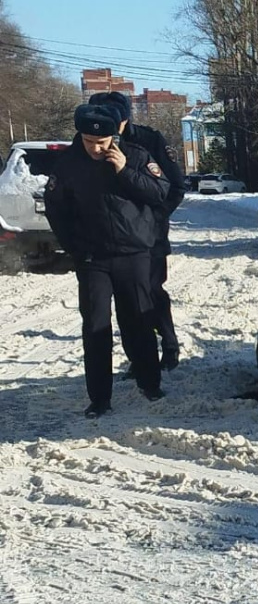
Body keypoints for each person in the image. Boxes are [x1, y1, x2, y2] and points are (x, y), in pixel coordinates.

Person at [43, 104, 170, 418]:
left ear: (115, 135)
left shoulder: (137, 156)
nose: (96, 148)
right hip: (92, 259)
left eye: (102, 142)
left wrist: (125, 170)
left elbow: (160, 193)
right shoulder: (68, 164)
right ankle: (99, 398)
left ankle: (149, 382)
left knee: (138, 320)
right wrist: (74, 248)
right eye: (89, 141)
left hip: (134, 254)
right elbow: (56, 210)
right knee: (96, 326)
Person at [88, 91, 187, 373]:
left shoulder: (148, 140)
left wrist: (150, 220)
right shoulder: (90, 145)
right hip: (109, 242)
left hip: (149, 237)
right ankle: (140, 358)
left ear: (124, 119)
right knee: (125, 301)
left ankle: (169, 345)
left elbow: (175, 187)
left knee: (152, 292)